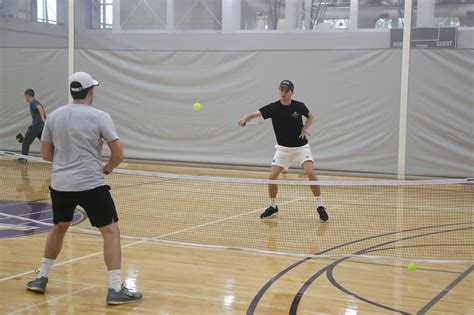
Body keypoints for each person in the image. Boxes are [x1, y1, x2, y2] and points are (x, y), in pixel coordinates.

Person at [25, 72, 143, 305]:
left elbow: (46, 154)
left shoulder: (55, 116)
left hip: (61, 185)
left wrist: (66, 161)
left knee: (59, 227)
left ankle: (41, 278)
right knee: (110, 232)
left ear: (72, 91)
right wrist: (108, 167)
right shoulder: (100, 116)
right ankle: (115, 288)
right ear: (90, 92)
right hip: (91, 184)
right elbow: (118, 154)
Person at [238, 80, 328, 221]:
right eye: (281, 90)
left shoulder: (299, 106)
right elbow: (254, 114)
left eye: (286, 91)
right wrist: (244, 120)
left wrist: (305, 128)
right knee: (272, 177)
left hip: (301, 146)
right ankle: (273, 207)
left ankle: (320, 206)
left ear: (292, 92)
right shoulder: (273, 108)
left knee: (310, 172)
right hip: (283, 149)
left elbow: (310, 116)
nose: (283, 93)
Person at [20, 89, 46, 158]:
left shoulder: (32, 102)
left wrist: (43, 118)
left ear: (27, 95)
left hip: (36, 126)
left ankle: (23, 159)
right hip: (41, 127)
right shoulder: (35, 101)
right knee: (45, 142)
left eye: (25, 96)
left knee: (25, 142)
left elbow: (39, 107)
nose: (25, 98)